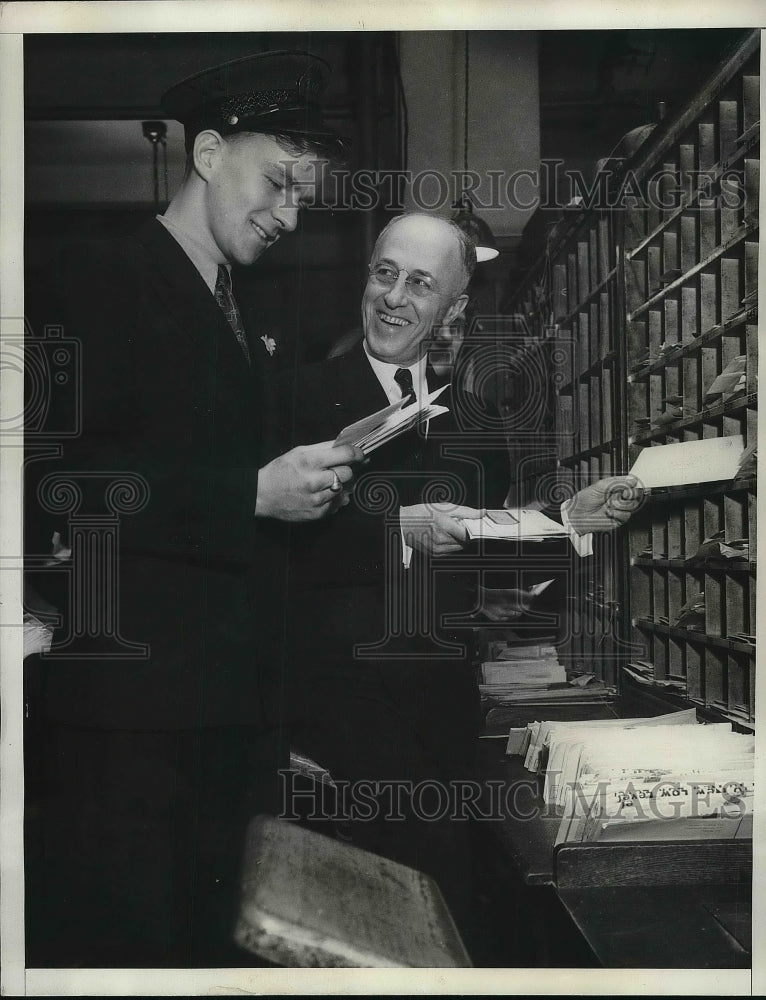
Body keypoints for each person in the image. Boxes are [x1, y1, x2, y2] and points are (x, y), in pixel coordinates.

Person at [23, 50, 365, 968]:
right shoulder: (94, 281)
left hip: (213, 722)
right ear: (208, 152)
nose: (289, 216)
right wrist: (251, 493)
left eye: (305, 199)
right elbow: (51, 486)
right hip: (128, 731)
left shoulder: (237, 309)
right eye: (278, 185)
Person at [275, 212, 642, 937]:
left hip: (441, 707)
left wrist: (569, 520)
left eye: (420, 283)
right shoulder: (291, 400)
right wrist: (397, 528)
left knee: (451, 898)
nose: (394, 298)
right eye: (385, 274)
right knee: (386, 914)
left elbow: (476, 547)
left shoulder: (472, 422)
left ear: (454, 310)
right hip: (327, 710)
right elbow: (268, 549)